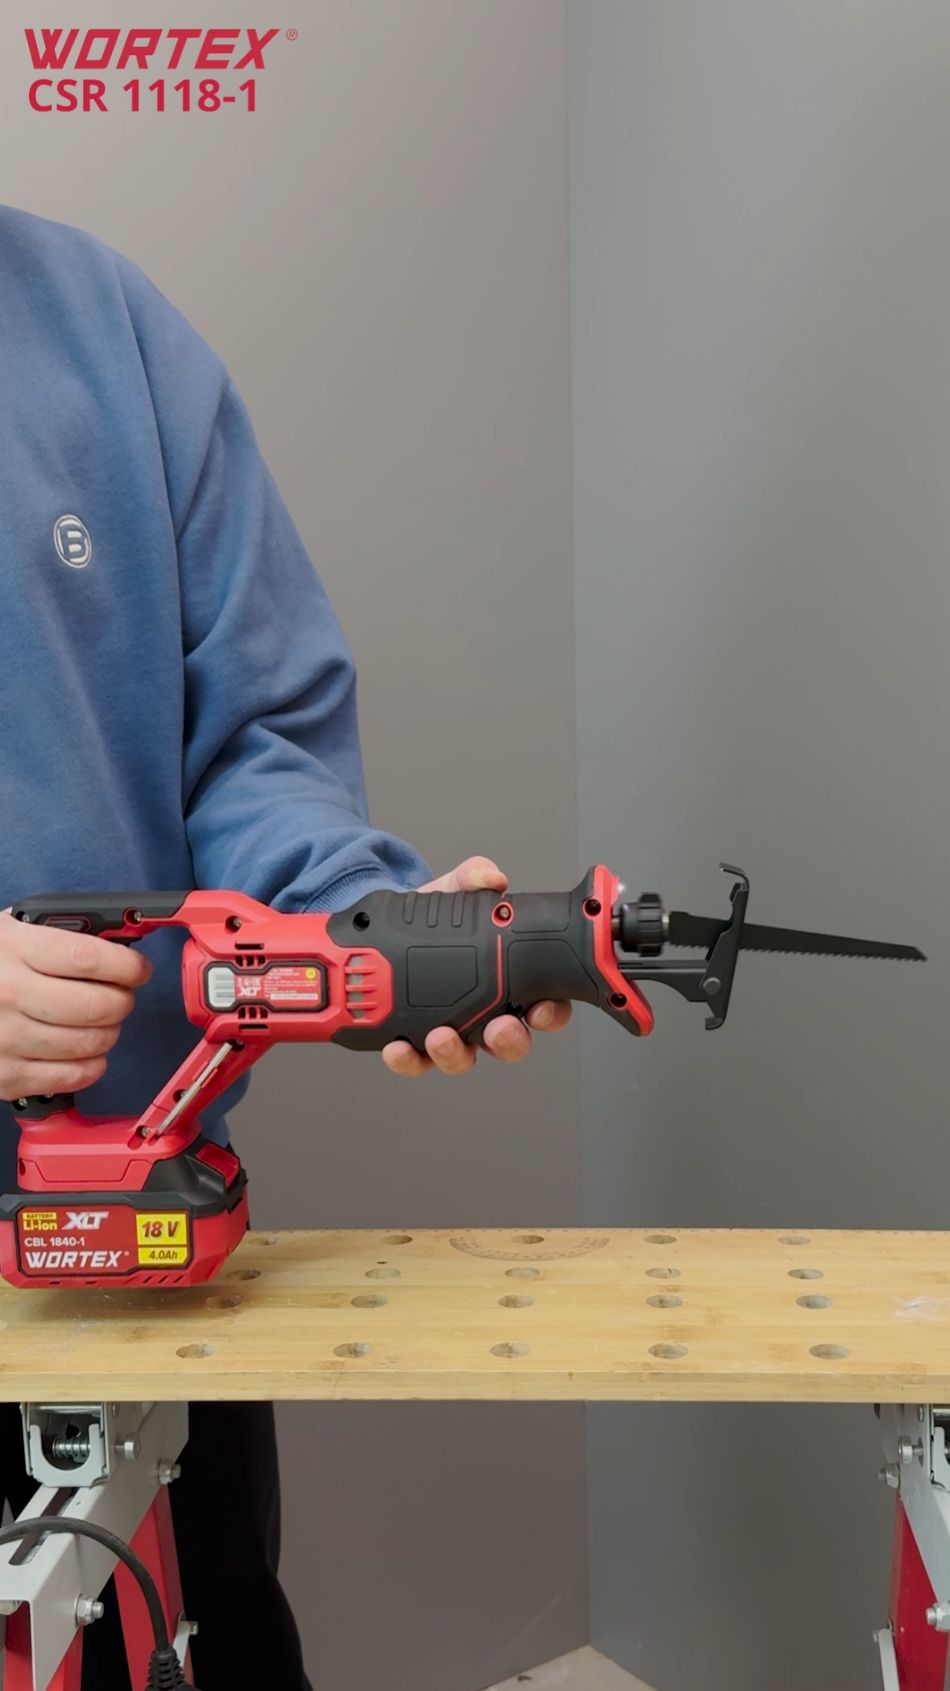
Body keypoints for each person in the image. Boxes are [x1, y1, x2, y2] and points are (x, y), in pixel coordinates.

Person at [0, 204, 571, 1690]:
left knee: (214, 1645)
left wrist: (366, 927)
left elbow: (254, 732)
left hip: (134, 1235)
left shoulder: (99, 321)